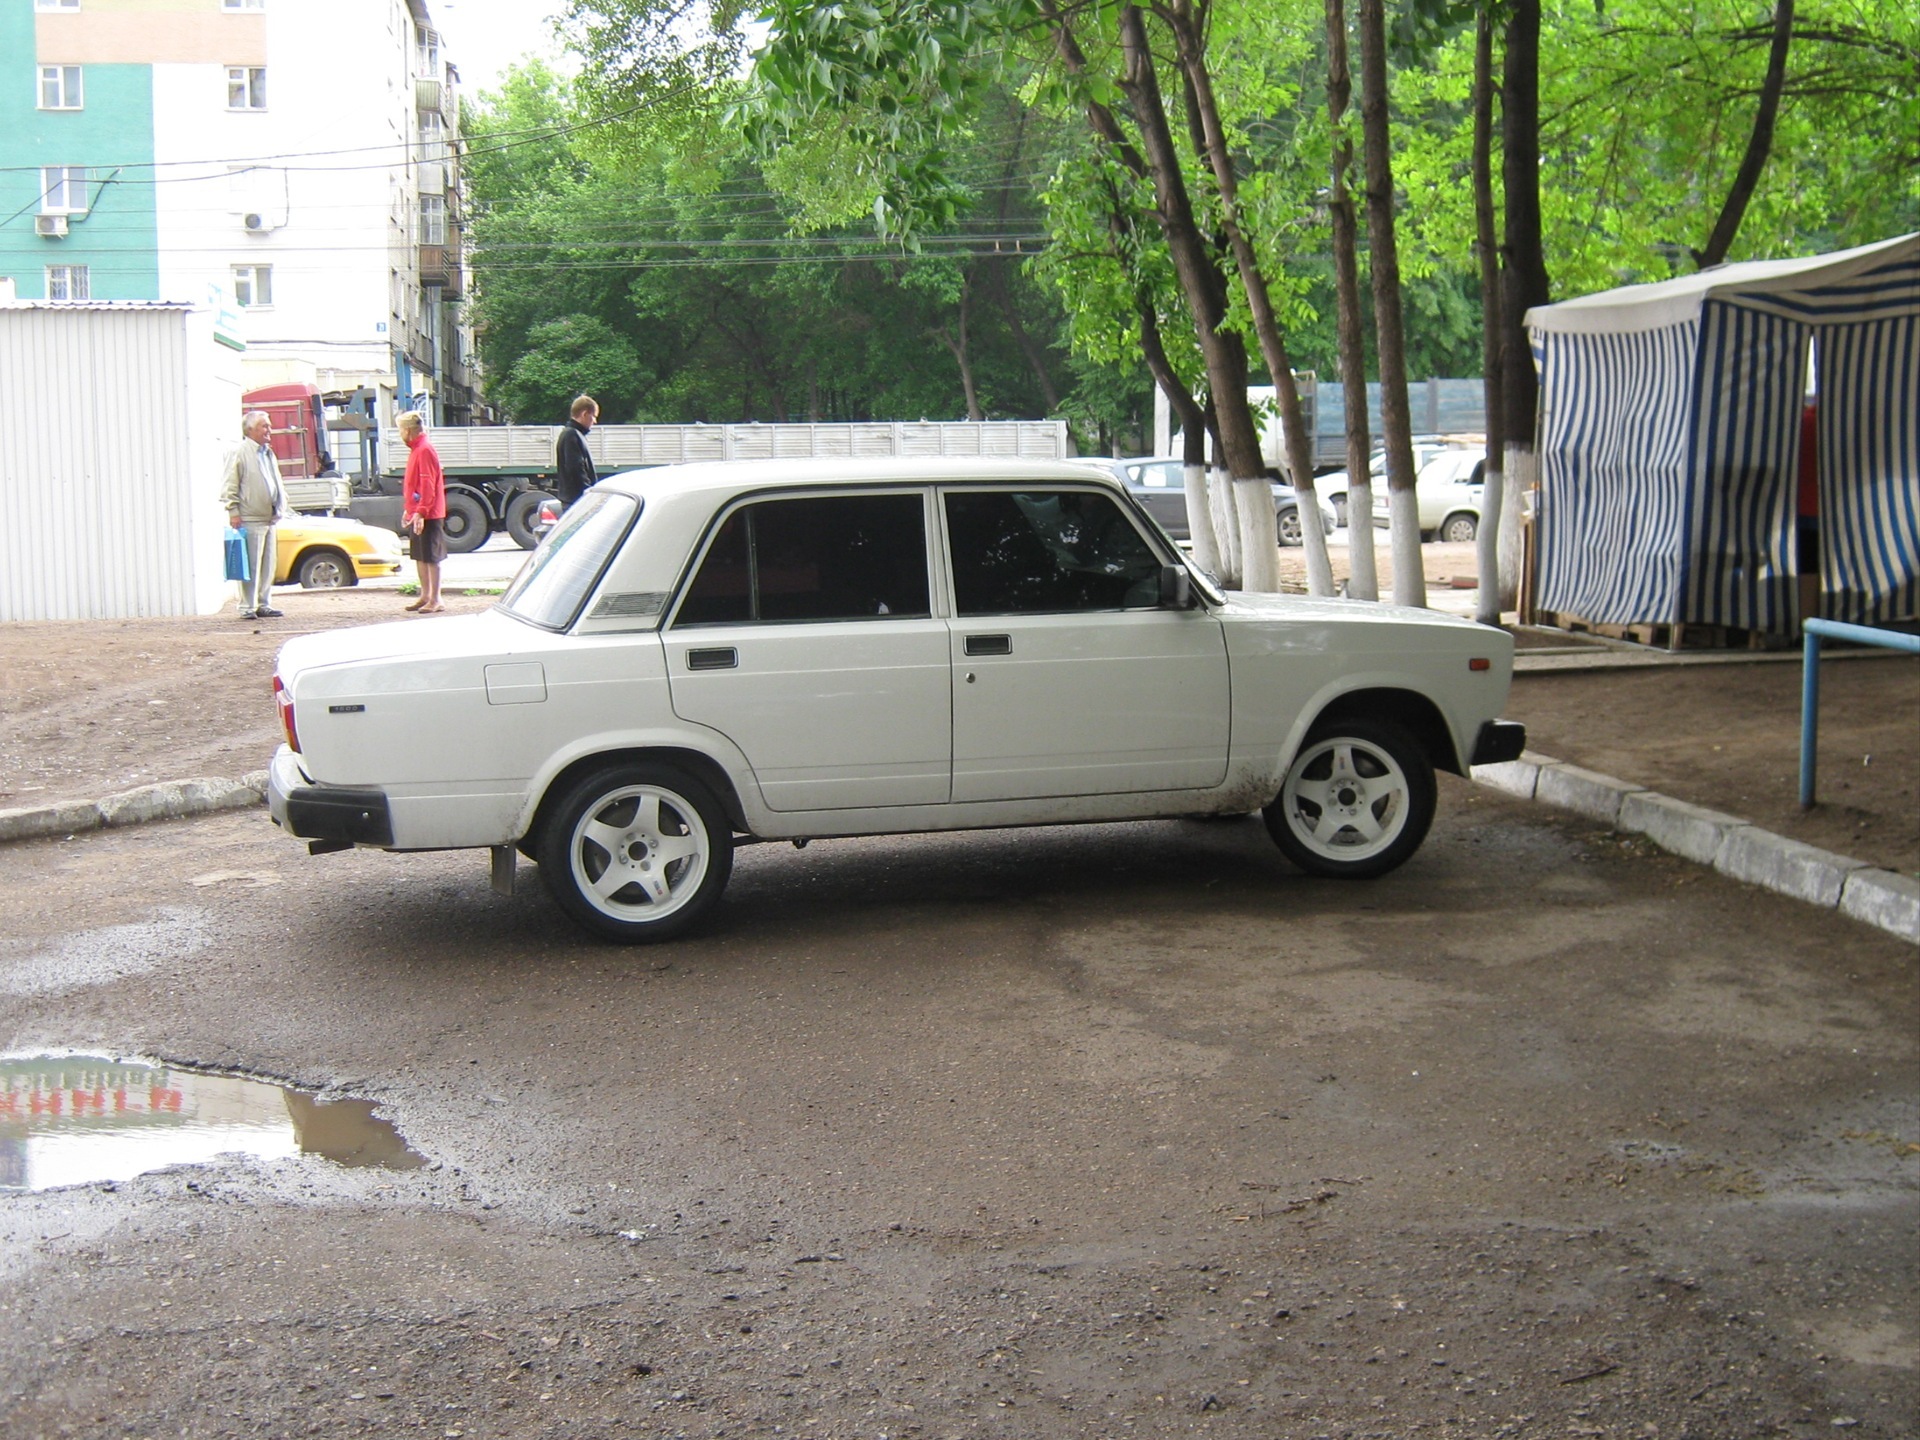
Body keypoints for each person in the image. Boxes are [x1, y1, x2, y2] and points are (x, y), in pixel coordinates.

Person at [221, 410, 289, 620]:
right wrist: (233, 511)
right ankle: (247, 606)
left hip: (270, 518)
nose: (269, 430)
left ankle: (263, 603)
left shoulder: (268, 453)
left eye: (268, 426)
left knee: (268, 564)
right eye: (264, 426)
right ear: (250, 430)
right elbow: (230, 484)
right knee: (251, 564)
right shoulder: (240, 452)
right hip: (250, 517)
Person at [397, 411, 447, 614]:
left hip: (429, 513)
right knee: (420, 555)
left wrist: (421, 511)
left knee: (431, 556)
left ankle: (436, 598)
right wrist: (409, 509)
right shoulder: (417, 449)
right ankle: (426, 595)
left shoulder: (424, 450)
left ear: (408, 430)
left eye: (400, 429)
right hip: (420, 511)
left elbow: (427, 484)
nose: (399, 433)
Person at [554, 394, 599, 507]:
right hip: (577, 501)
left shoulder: (572, 434)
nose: (594, 421)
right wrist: (589, 494)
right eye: (593, 416)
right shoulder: (572, 434)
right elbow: (576, 469)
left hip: (574, 500)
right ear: (584, 414)